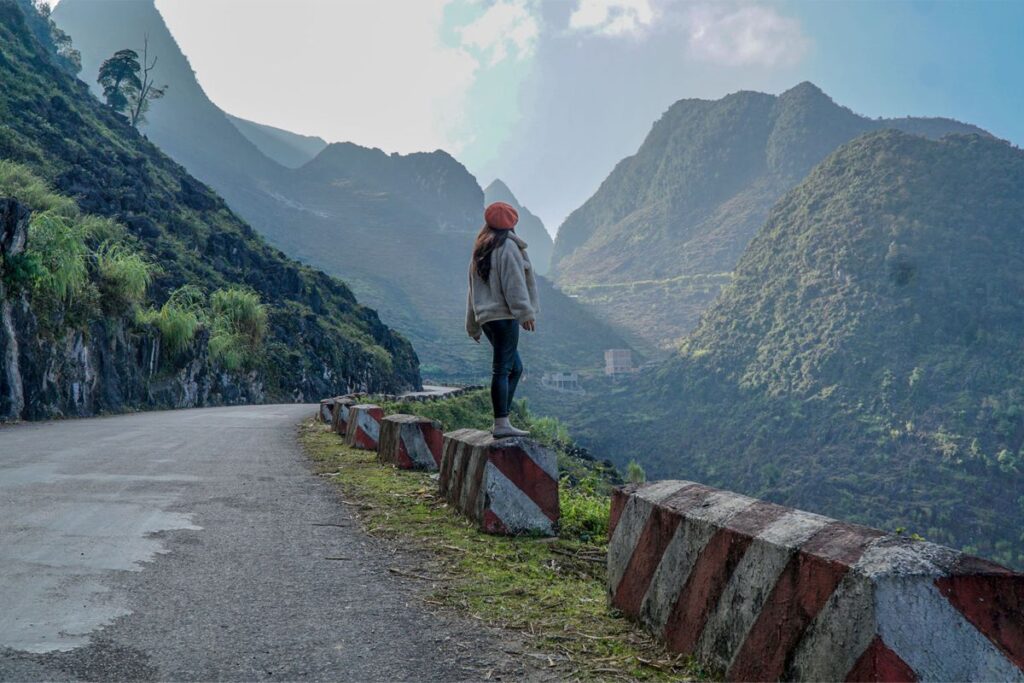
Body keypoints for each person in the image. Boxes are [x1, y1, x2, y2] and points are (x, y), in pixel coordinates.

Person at [466, 201, 539, 437]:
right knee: (502, 369)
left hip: (487, 318)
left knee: (514, 368)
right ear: (512, 224)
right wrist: (525, 313)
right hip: (504, 316)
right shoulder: (508, 247)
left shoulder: (481, 249)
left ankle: (502, 419)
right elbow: (514, 283)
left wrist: (473, 325)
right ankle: (501, 423)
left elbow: (472, 291)